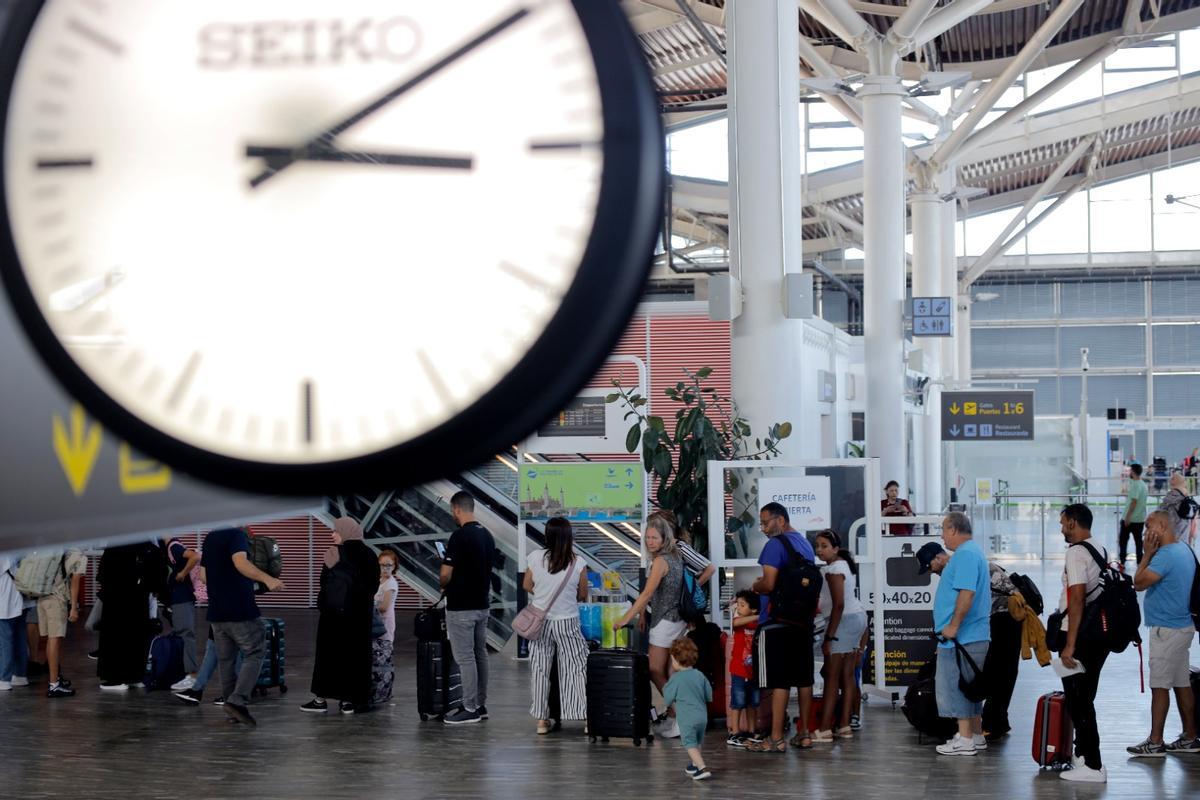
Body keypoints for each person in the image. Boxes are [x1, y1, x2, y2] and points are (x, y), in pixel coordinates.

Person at [916, 542, 1023, 742]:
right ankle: (988, 726)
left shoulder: (960, 566)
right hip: (1002, 619)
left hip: (1003, 617)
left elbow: (966, 599)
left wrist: (953, 628)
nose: (932, 572)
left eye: (930, 567)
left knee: (997, 673)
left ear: (938, 558)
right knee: (998, 672)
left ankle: (987, 727)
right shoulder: (963, 564)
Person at [746, 501, 818, 753]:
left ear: (781, 520)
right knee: (804, 678)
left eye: (766, 522)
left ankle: (776, 738)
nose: (764, 528)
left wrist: (755, 586)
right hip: (803, 622)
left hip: (777, 621)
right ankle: (805, 734)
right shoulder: (806, 545)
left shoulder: (775, 545)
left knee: (779, 681)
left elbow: (769, 583)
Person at [1127, 510, 1199, 756]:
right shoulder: (1184, 549)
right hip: (1183, 627)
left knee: (1160, 686)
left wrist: (1146, 554)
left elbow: (1138, 582)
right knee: (1181, 683)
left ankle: (1155, 741)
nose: (1146, 532)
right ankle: (1190, 737)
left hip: (1166, 631)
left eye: (1149, 526)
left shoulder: (1164, 556)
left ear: (1162, 525)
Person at [614, 513, 689, 738]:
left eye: (654, 537)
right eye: (647, 538)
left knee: (655, 669)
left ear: (665, 538)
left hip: (665, 621)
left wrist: (627, 617)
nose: (650, 542)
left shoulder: (660, 561)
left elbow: (647, 593)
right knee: (669, 671)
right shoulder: (676, 557)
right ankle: (678, 718)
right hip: (679, 620)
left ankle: (680, 717)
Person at [202, 526, 284, 726]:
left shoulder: (210, 537)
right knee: (255, 652)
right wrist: (268, 579)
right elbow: (240, 563)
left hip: (216, 612)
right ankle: (238, 701)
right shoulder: (236, 535)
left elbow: (203, 576)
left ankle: (232, 710)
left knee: (226, 661)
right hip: (239, 609)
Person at [1055, 503, 1110, 783]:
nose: (1062, 528)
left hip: (1077, 637)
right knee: (1082, 698)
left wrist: (1069, 645)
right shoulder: (1098, 547)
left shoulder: (1076, 552)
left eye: (1064, 523)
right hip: (1096, 635)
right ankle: (1083, 755)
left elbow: (1076, 599)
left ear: (1074, 523)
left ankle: (1093, 764)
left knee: (1079, 701)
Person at [302, 517, 379, 715]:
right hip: (359, 620)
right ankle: (349, 701)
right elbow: (373, 587)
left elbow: (323, 583)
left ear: (345, 532)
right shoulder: (370, 555)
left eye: (335, 531)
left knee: (328, 656)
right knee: (354, 657)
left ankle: (320, 700)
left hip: (333, 618)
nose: (332, 534)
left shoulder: (333, 552)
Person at [932, 511, 991, 757]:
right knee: (970, 687)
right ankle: (975, 735)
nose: (943, 536)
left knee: (957, 687)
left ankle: (965, 739)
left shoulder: (966, 555)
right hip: (970, 636)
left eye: (944, 530)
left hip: (961, 638)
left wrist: (953, 626)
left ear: (954, 530)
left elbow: (966, 593)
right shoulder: (973, 552)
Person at [524, 517, 589, 735]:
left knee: (540, 668)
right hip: (567, 621)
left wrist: (543, 596)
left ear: (547, 535)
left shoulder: (534, 557)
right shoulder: (578, 562)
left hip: (539, 622)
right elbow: (582, 593)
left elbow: (526, 584)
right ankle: (585, 717)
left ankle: (542, 720)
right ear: (569, 537)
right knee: (576, 668)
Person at [440, 491, 497, 725]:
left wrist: (443, 583)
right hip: (482, 605)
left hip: (461, 606)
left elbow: (445, 573)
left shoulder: (459, 536)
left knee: (465, 658)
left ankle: (469, 707)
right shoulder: (487, 535)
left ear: (456, 509)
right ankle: (480, 704)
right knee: (479, 654)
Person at [813, 529, 867, 742]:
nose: (819, 550)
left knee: (832, 677)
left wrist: (829, 637)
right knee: (847, 676)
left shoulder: (834, 569)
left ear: (835, 548)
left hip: (843, 622)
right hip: (856, 619)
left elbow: (838, 605)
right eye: (817, 545)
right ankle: (844, 725)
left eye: (824, 546)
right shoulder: (843, 565)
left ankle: (825, 728)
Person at [17, 548, 85, 698]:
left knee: (50, 640)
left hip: (42, 597)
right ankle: (54, 685)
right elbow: (75, 578)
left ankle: (55, 678)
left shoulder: (54, 545)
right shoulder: (75, 550)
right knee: (55, 640)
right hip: (56, 599)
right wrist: (74, 607)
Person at [96, 543, 155, 690]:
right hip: (138, 598)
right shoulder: (142, 544)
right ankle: (134, 676)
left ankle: (115, 678)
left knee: (116, 636)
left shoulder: (116, 547)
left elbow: (104, 574)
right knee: (135, 636)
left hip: (117, 599)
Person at [662, 637, 713, 781]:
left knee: (689, 743)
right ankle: (694, 764)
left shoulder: (676, 679)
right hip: (702, 717)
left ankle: (702, 767)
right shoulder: (700, 675)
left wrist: (667, 688)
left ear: (676, 660)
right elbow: (709, 695)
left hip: (687, 718)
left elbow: (667, 699)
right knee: (697, 742)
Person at [163, 537, 201, 693]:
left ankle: (192, 676)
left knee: (185, 634)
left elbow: (195, 556)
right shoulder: (172, 547)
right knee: (181, 633)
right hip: (178, 597)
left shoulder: (173, 546)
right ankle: (185, 672)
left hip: (182, 597)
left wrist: (182, 573)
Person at [726, 590, 760, 747]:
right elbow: (735, 623)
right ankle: (735, 732)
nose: (738, 608)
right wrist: (757, 616)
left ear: (753, 608)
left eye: (742, 605)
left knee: (753, 702)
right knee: (737, 702)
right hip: (739, 670)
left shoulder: (757, 625)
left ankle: (752, 732)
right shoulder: (739, 621)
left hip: (754, 671)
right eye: (738, 604)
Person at [371, 548, 400, 707]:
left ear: (394, 566)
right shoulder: (378, 580)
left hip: (384, 625)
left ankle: (384, 693)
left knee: (383, 659)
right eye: (382, 565)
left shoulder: (391, 583)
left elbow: (384, 607)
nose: (385, 568)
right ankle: (375, 692)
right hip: (375, 624)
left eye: (388, 565)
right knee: (375, 660)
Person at [0, 554, 29, 691]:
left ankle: (4, 678)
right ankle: (20, 675)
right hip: (20, 598)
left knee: (5, 641)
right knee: (20, 639)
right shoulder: (16, 547)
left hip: (5, 601)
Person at [1120, 464, 1148, 567]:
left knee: (1123, 541)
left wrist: (1127, 517)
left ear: (1133, 471)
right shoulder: (1143, 484)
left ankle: (1122, 561)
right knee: (1138, 542)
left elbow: (1134, 502)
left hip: (1131, 519)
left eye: (1130, 471)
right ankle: (1139, 562)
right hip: (1140, 519)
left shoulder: (1136, 485)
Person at [1160, 472, 1196, 546]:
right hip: (1184, 541)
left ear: (1173, 482)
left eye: (1172, 478)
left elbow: (1160, 519)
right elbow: (1193, 530)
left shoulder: (1167, 500)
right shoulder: (1189, 502)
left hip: (1170, 541)